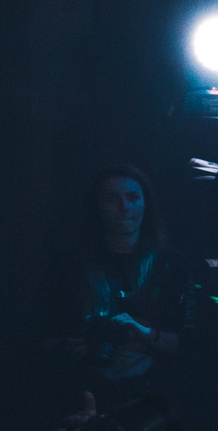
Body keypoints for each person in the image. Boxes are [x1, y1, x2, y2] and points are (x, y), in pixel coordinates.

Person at [46, 166, 198, 403]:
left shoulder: (172, 266)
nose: (124, 207)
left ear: (146, 204)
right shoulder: (70, 263)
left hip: (150, 394)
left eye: (133, 197)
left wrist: (145, 334)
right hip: (78, 390)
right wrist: (68, 347)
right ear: (97, 206)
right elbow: (40, 333)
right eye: (111, 199)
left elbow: (188, 342)